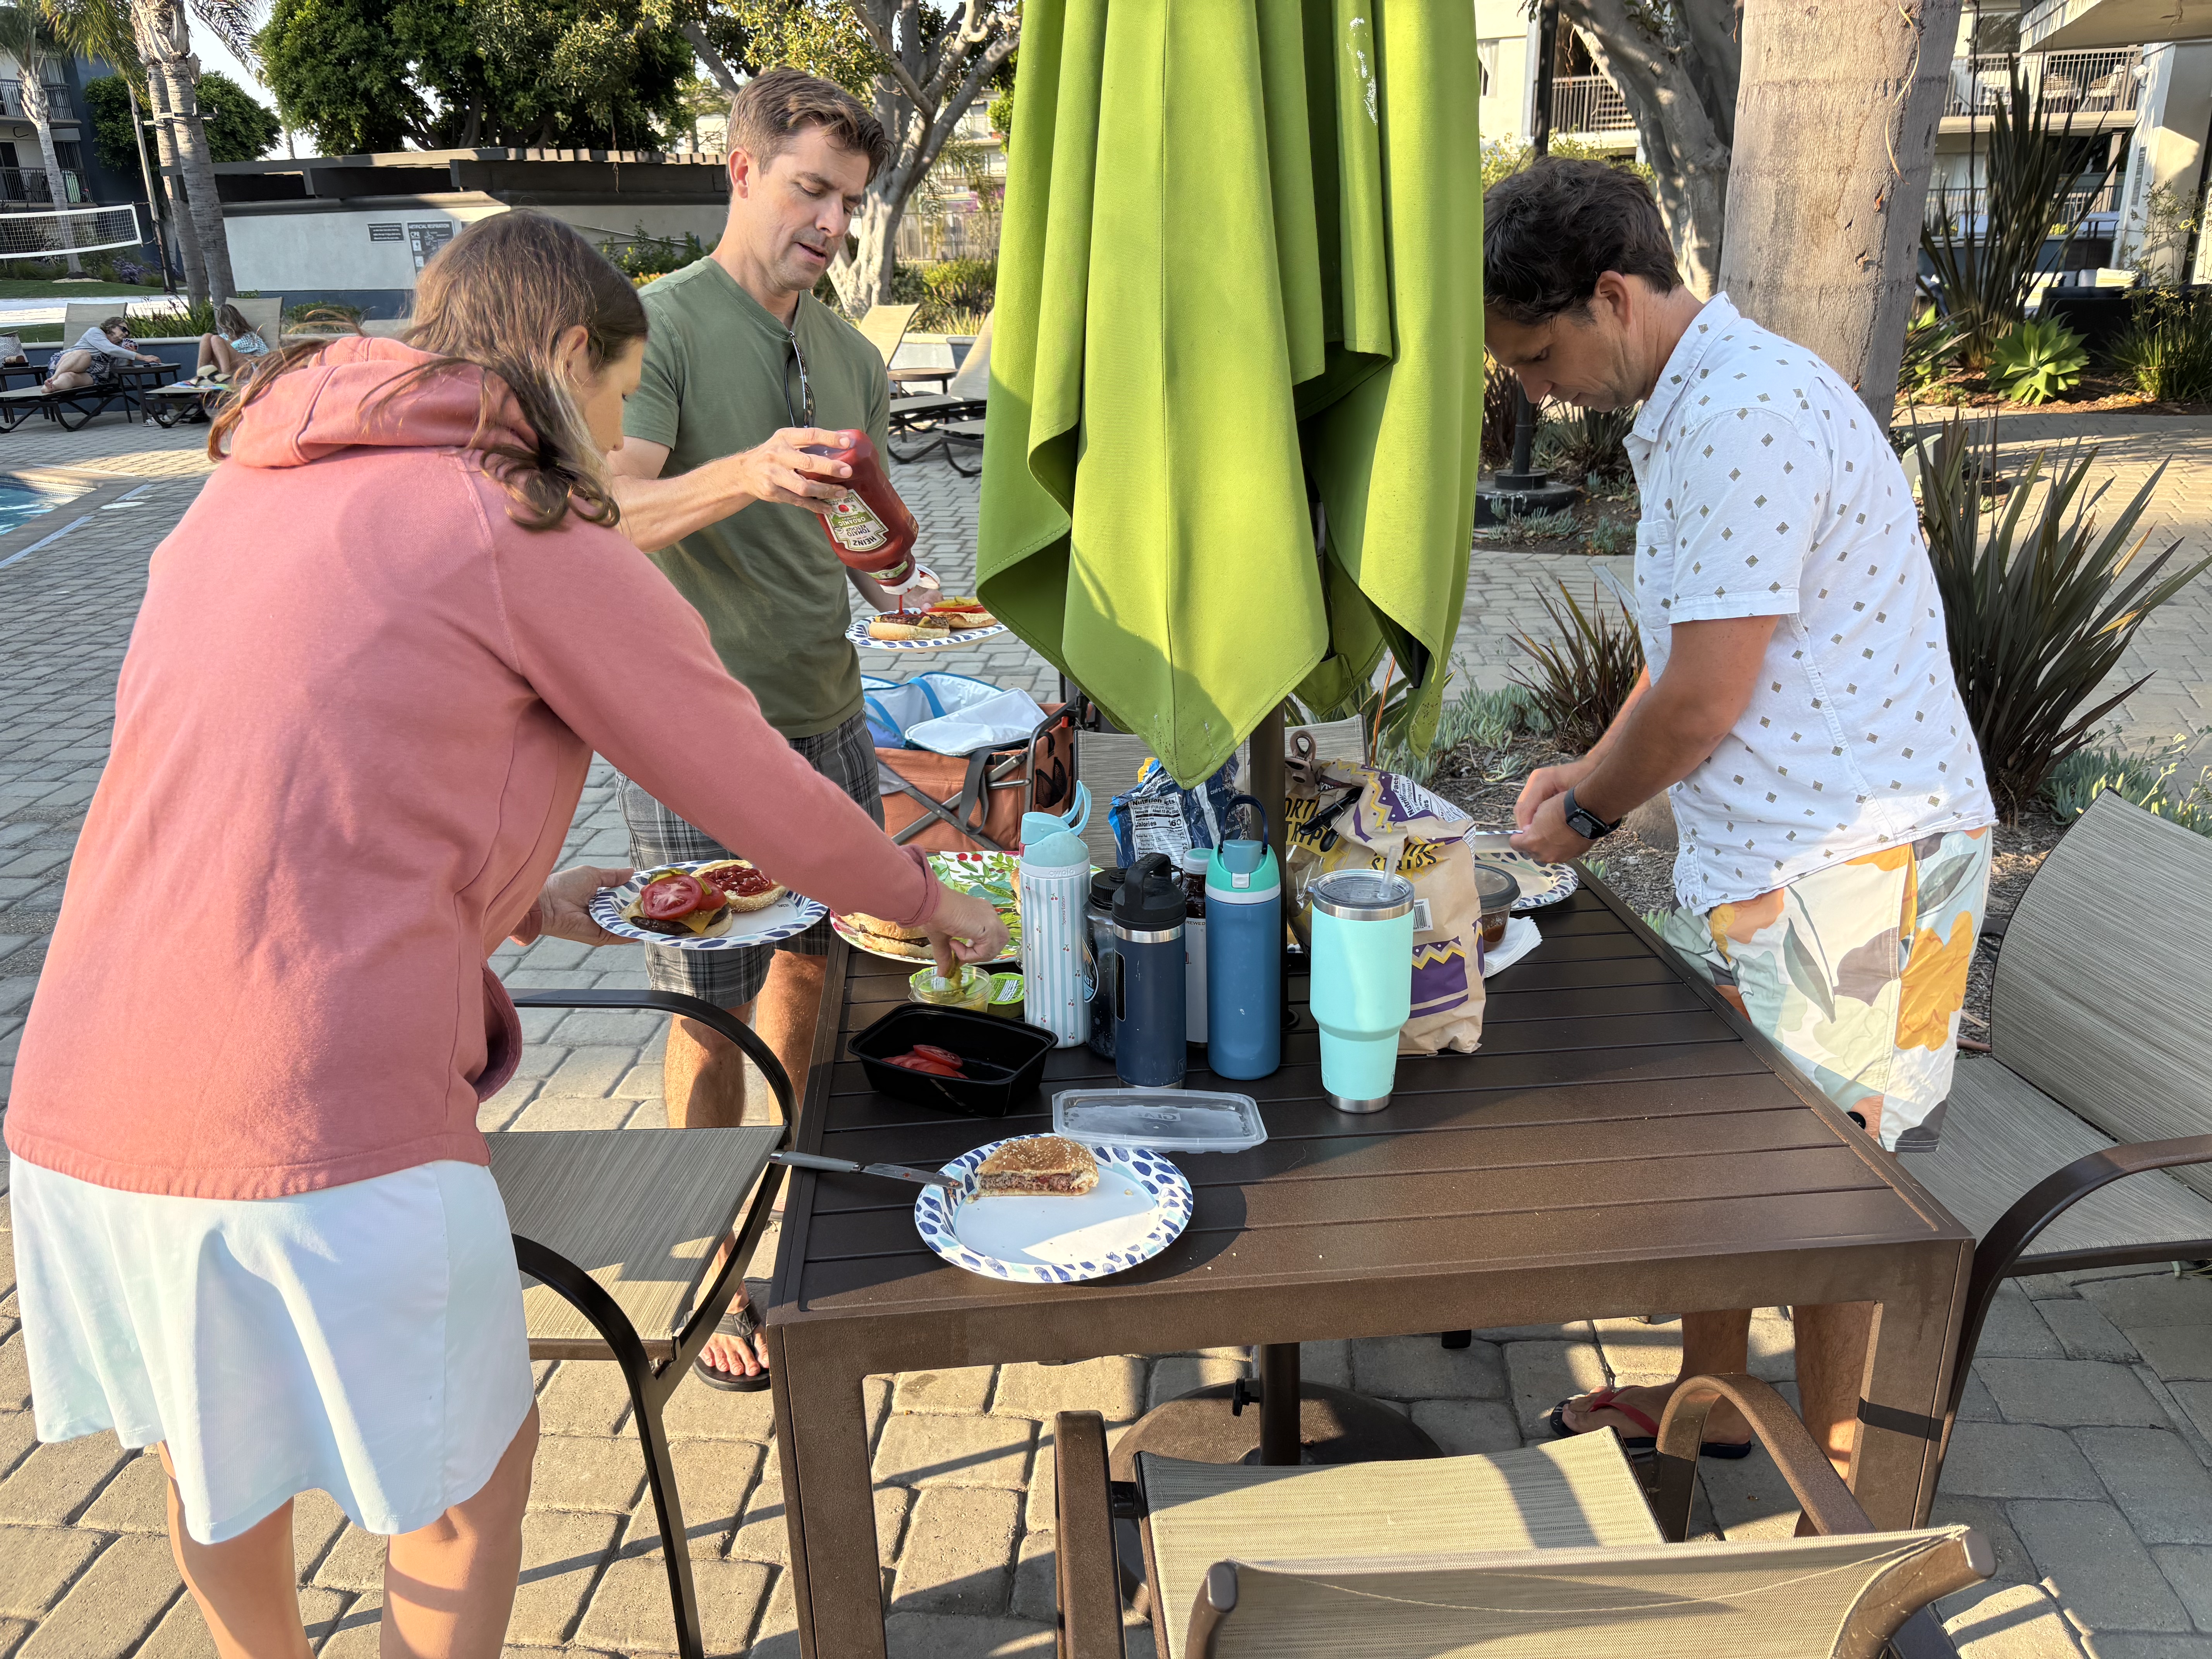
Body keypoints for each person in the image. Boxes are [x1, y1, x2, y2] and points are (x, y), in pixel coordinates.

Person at [2, 210, 1006, 1659]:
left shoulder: (246, 486)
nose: (610, 445)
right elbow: (744, 771)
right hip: (310, 1108)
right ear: (558, 358)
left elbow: (275, 793)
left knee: (214, 1460)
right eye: (610, 401)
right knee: (469, 1487)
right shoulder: (517, 505)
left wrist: (524, 896)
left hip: (83, 1099)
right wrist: (930, 898)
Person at [1485, 158, 1996, 1477]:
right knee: (1729, 1162)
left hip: (1867, 866)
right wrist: (1580, 772)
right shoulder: (1701, 397)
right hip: (1780, 858)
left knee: (1828, 1209)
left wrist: (1590, 817)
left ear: (1613, 295)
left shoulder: (1738, 414)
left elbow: (1706, 696)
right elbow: (1694, 653)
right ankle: (1707, 1399)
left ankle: (1836, 1516)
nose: (1532, 388)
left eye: (1537, 352)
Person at [605, 68, 938, 1388]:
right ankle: (705, 1270)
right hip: (693, 734)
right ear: (741, 170)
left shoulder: (849, 348)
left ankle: (786, 1218)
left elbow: (860, 528)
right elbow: (607, 516)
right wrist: (744, 469)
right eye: (812, 191)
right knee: (710, 1011)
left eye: (852, 203)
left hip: (829, 711)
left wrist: (891, 578)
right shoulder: (659, 327)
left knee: (814, 979)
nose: (834, 225)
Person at [46, 314, 160, 391]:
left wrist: (130, 358)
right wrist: (143, 357)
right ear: (111, 326)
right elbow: (109, 349)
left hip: (93, 375)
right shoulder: (95, 333)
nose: (126, 334)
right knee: (84, 355)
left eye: (128, 333)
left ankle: (52, 387)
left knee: (69, 377)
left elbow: (120, 372)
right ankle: (54, 378)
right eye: (123, 329)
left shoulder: (120, 349)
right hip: (67, 362)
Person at [193, 302, 272, 381]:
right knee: (207, 336)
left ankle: (226, 376)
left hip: (245, 368)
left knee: (216, 339)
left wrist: (250, 357)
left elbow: (266, 357)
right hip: (223, 368)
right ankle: (199, 376)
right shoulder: (222, 338)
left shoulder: (250, 336)